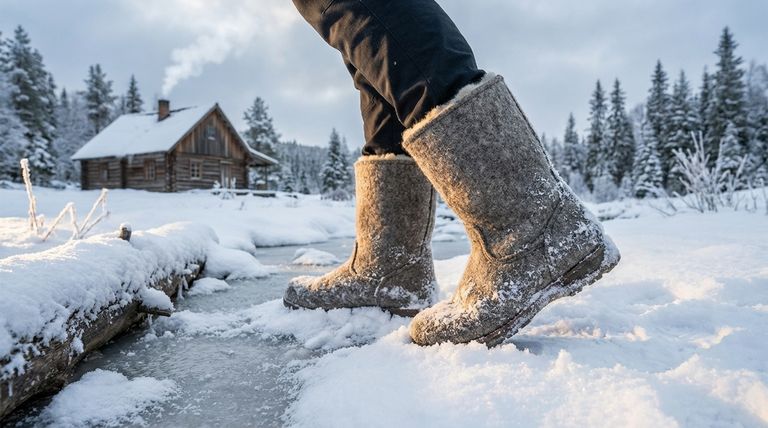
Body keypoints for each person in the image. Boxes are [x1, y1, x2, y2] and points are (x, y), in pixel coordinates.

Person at [283, 0, 620, 347]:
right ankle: (389, 264)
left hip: (529, 232)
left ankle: (525, 230)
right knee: (365, 45)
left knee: (352, 6)